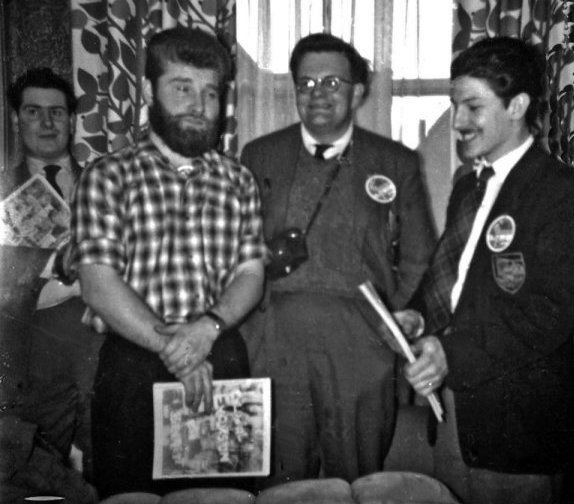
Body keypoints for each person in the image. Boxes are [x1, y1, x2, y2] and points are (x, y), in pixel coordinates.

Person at [67, 27, 266, 498]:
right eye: (182, 88)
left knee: (224, 496)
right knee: (131, 495)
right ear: (149, 91)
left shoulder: (239, 181)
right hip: (132, 364)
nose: (199, 105)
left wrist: (205, 331)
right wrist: (175, 347)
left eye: (210, 93)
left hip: (219, 355)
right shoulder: (108, 175)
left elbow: (251, 274)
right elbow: (98, 284)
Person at [239, 32, 436, 486]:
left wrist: (391, 322)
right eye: (306, 84)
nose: (317, 94)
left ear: (358, 91)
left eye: (332, 82)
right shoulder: (259, 155)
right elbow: (235, 246)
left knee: (357, 478)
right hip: (276, 341)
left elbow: (420, 257)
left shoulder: (395, 162)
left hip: (360, 345)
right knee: (280, 481)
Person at [396, 36, 574, 504]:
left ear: (517, 106)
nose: (457, 121)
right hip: (454, 411)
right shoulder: (468, 186)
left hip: (517, 428)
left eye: (473, 107)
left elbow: (552, 313)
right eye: (455, 105)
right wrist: (416, 316)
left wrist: (451, 353)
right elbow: (451, 277)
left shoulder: (559, 192)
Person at [0, 67, 99, 503]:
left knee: (111, 480)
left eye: (56, 112)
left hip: (103, 356)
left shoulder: (105, 182)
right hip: (35, 369)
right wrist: (76, 280)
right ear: (16, 119)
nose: (46, 122)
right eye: (33, 111)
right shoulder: (1, 192)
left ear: (72, 121)